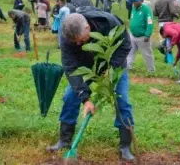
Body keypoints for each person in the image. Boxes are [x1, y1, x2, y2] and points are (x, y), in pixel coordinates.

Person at [47, 8, 135, 162]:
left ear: (87, 27)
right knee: (69, 97)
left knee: (122, 101)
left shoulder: (109, 23)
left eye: (81, 40)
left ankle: (125, 146)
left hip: (113, 67)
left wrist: (111, 67)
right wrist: (85, 98)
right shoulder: (66, 35)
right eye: (76, 43)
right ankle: (64, 140)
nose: (79, 44)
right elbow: (70, 68)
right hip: (86, 69)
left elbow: (126, 45)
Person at [127, 0, 155, 72]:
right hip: (132, 35)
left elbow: (150, 22)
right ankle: (128, 67)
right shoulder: (133, 8)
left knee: (147, 53)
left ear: (141, 1)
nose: (134, 2)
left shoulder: (146, 9)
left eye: (136, 1)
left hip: (142, 36)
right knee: (130, 51)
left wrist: (147, 34)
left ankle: (151, 70)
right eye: (133, 1)